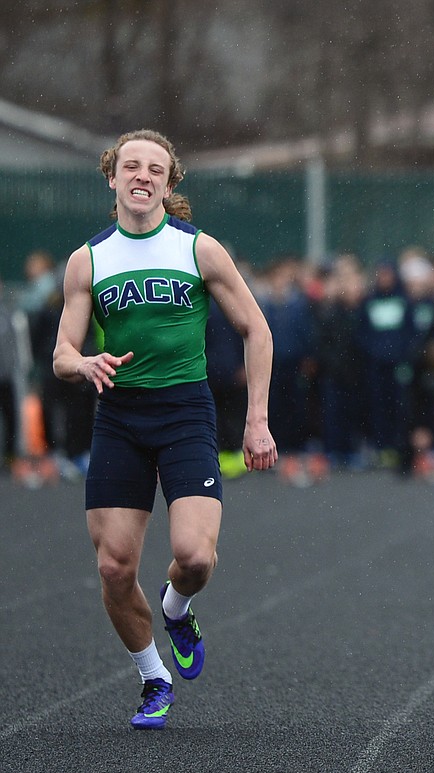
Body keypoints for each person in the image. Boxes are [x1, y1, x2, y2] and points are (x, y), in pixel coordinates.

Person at [53, 129, 278, 729]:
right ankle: (153, 676)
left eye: (156, 168)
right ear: (112, 177)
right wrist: (83, 362)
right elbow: (62, 353)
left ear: (169, 183)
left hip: (184, 412)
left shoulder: (199, 250)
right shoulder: (89, 259)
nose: (142, 176)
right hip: (120, 418)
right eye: (132, 166)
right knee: (114, 568)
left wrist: (256, 421)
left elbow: (258, 330)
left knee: (194, 557)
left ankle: (177, 609)